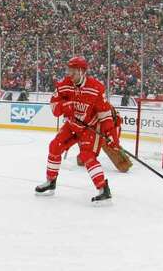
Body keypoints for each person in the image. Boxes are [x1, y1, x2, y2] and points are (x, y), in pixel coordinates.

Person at [35, 56, 118, 202]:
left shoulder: (96, 88)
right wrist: (66, 106)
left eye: (73, 71)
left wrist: (111, 134)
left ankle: (103, 189)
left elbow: (105, 115)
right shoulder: (63, 84)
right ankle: (51, 182)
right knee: (55, 146)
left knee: (87, 156)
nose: (70, 74)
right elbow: (54, 108)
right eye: (69, 70)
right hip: (72, 124)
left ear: (82, 71)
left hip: (90, 127)